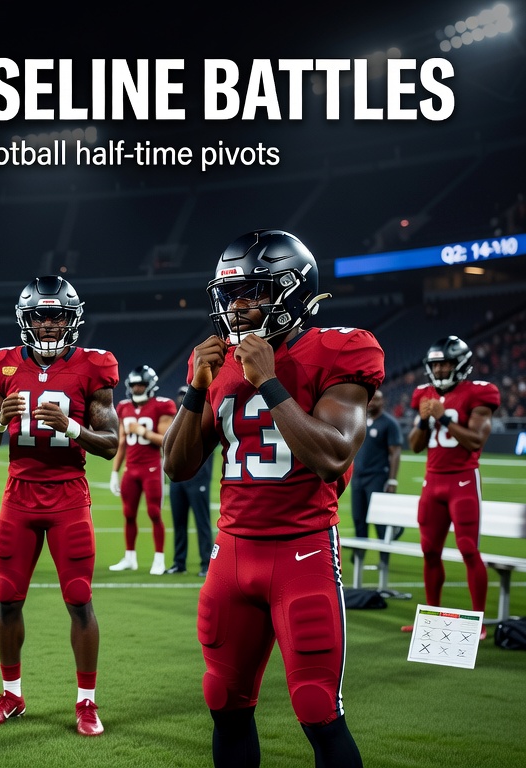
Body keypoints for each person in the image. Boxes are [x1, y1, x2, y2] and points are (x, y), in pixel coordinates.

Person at [164, 229, 382, 768]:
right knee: (224, 701)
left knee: (316, 708)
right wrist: (197, 386)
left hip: (301, 552)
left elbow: (332, 456)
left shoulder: (340, 349)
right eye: (231, 295)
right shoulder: (221, 365)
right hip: (232, 554)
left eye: (252, 294)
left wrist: (268, 382)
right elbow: (178, 465)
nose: (237, 307)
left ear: (291, 290)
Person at [0, 275, 119, 735]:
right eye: (41, 315)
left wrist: (73, 428)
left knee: (79, 598)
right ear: (26, 319)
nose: (50, 324)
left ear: (73, 320)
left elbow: (111, 444)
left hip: (68, 495)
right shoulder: (3, 365)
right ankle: (12, 694)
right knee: (6, 597)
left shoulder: (94, 367)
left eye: (58, 316)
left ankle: (87, 703)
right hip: (19, 495)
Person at [407, 336, 499, 625]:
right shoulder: (423, 393)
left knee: (469, 549)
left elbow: (475, 442)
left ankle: (477, 622)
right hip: (432, 481)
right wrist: (424, 421)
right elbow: (416, 446)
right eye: (436, 364)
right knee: (429, 551)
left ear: (460, 364)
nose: (440, 370)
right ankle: (431, 618)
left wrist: (444, 418)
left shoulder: (480, 393)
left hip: (463, 481)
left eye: (445, 363)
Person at [108, 364, 176, 574]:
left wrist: (143, 432)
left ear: (150, 385)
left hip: (152, 468)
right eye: (135, 385)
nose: (137, 389)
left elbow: (166, 440)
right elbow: (121, 442)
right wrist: (114, 471)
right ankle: (129, 558)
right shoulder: (124, 407)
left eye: (141, 385)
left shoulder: (162, 406)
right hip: (132, 469)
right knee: (128, 514)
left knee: (154, 513)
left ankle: (159, 559)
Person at [350, 389, 403, 573]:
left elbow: (395, 452)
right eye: (370, 399)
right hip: (358, 477)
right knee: (358, 519)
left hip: (377, 477)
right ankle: (360, 559)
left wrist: (392, 480)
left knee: (380, 523)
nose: (371, 402)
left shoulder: (389, 423)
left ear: (383, 402)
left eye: (376, 399)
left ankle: (383, 560)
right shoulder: (359, 420)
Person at [167, 384, 215, 577]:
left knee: (202, 523)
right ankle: (179, 562)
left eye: (185, 395)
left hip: (198, 478)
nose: (182, 399)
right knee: (179, 522)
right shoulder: (177, 422)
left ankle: (206, 563)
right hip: (178, 481)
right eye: (180, 396)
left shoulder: (205, 418)